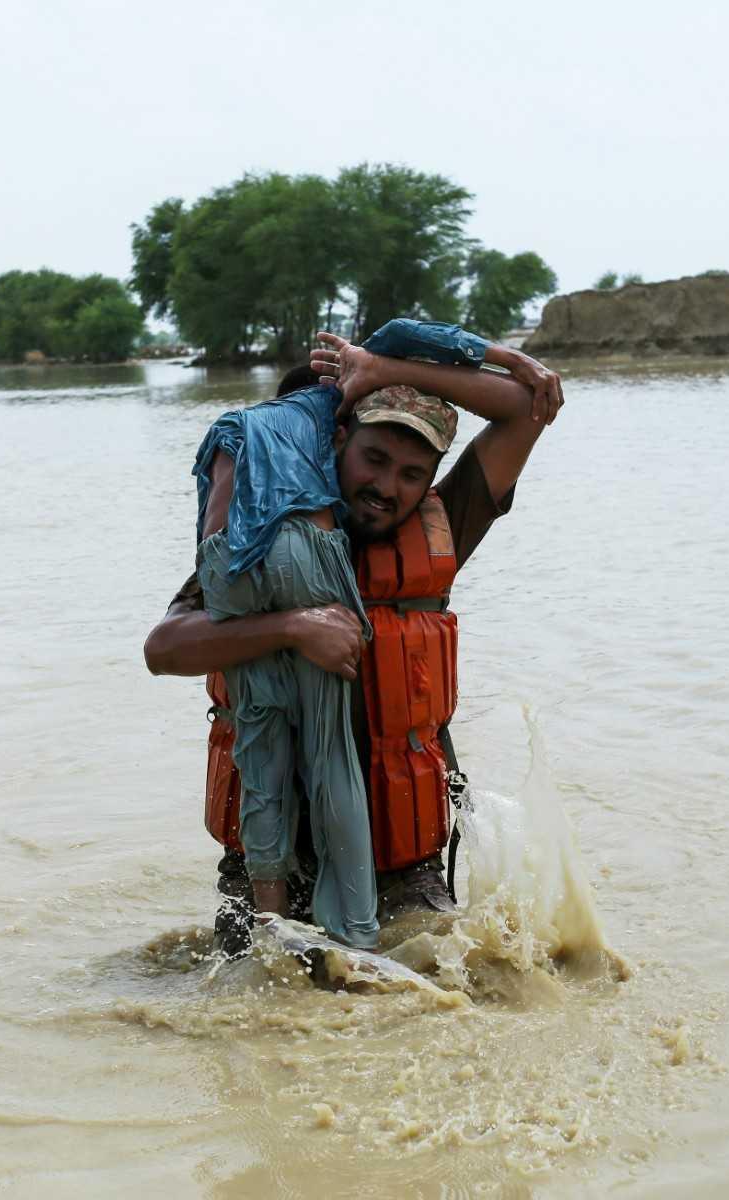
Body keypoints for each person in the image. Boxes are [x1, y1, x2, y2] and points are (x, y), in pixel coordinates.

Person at [145, 319, 565, 954]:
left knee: (426, 1006)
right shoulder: (266, 540)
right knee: (259, 991)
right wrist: (291, 625)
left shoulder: (444, 524)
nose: (386, 488)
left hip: (404, 866)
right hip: (272, 864)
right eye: (373, 460)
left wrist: (386, 369)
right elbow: (164, 649)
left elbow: (526, 409)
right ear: (337, 440)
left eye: (410, 473)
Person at [190, 371, 385, 949]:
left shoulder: (232, 429)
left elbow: (209, 535)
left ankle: (272, 925)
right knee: (332, 760)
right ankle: (358, 937)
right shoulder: (328, 408)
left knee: (261, 755)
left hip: (226, 564)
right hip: (300, 551)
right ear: (340, 425)